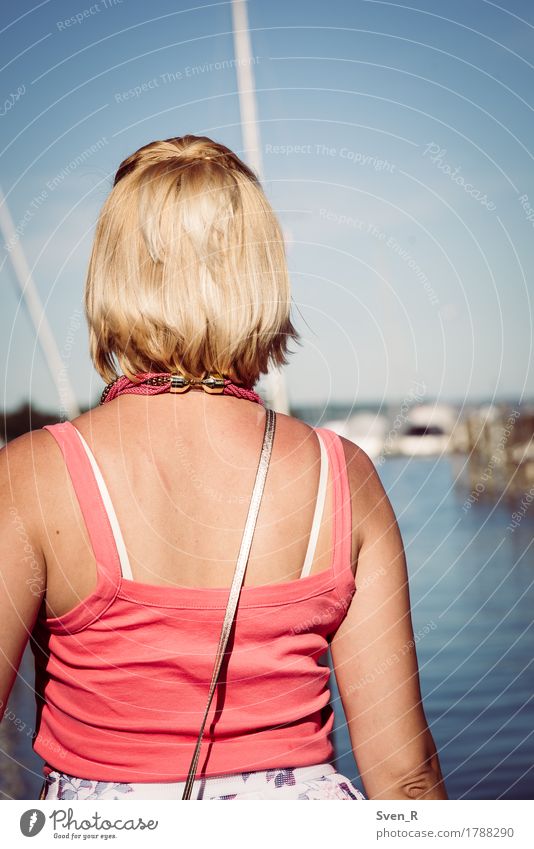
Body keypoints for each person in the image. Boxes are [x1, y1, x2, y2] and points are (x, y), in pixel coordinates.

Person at [0, 134, 447, 801]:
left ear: (112, 276)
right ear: (259, 278)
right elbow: (403, 777)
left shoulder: (35, 475)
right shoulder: (342, 476)